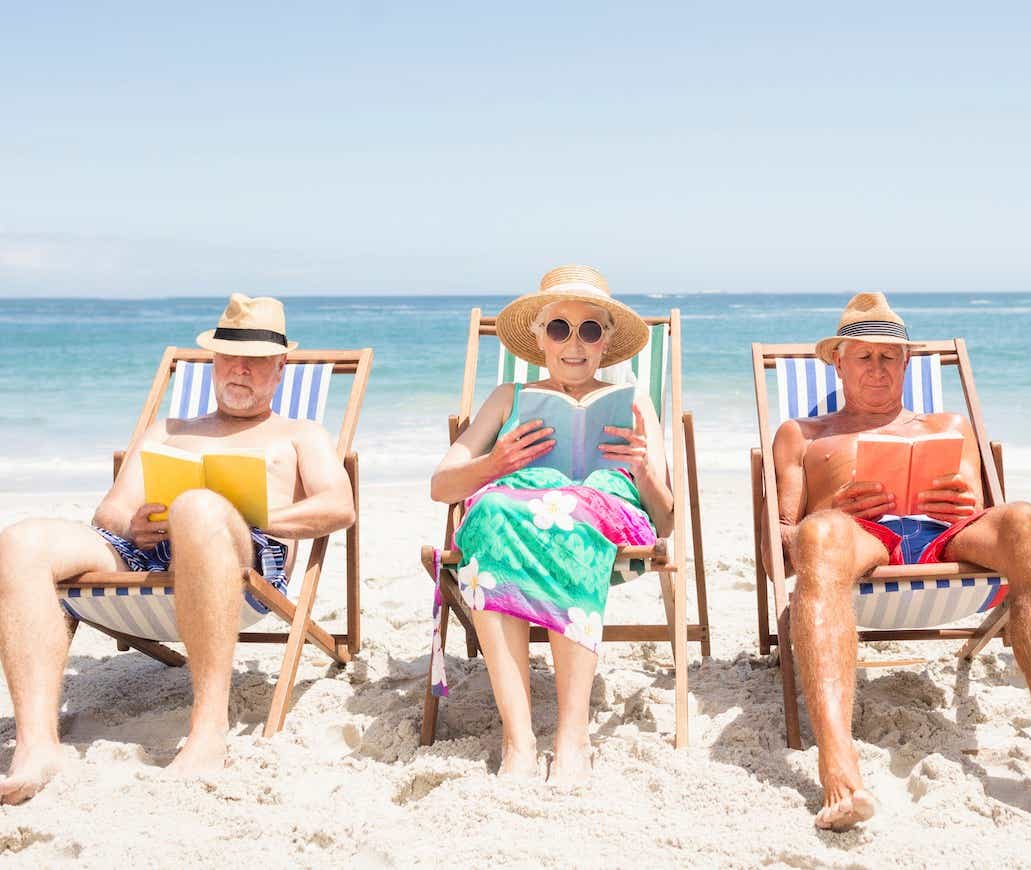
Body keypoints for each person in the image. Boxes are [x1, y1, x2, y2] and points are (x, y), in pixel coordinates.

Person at [774, 292, 1031, 831]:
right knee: (819, 533)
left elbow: (984, 514)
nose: (877, 368)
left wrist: (966, 504)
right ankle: (839, 762)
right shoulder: (804, 435)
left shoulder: (950, 426)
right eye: (863, 356)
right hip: (854, 544)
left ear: (906, 362)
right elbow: (779, 549)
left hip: (948, 538)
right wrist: (829, 509)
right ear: (839, 361)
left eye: (889, 357)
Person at [0, 294, 355, 803]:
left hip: (242, 557)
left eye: (256, 363)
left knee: (198, 508)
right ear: (213, 362)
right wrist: (135, 523)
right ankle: (38, 745)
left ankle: (208, 733)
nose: (241, 371)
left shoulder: (300, 434)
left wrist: (251, 515)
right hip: (147, 553)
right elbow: (111, 511)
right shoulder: (169, 429)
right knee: (21, 540)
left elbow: (339, 507)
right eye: (230, 358)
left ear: (279, 369)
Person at [429, 265, 670, 785]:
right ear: (538, 339)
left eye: (590, 329)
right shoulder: (506, 398)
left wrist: (647, 473)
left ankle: (571, 734)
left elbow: (667, 517)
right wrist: (495, 465)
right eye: (559, 328)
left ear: (606, 341)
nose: (574, 343)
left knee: (572, 515)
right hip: (515, 522)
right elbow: (443, 486)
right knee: (491, 512)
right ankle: (518, 740)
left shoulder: (633, 402)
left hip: (601, 523)